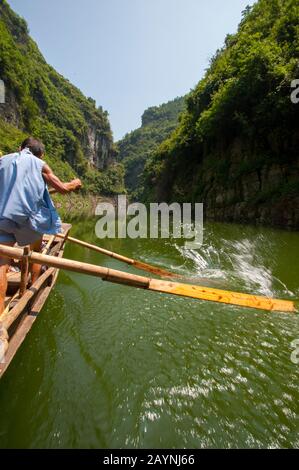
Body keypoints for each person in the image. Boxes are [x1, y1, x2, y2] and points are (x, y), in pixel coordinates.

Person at [0, 137, 82, 313]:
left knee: (1, 264)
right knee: (36, 253)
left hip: (2, 218)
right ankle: (31, 291)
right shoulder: (39, 164)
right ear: (41, 154)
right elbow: (62, 188)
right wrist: (75, 183)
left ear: (19, 148)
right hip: (27, 220)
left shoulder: (3, 160)